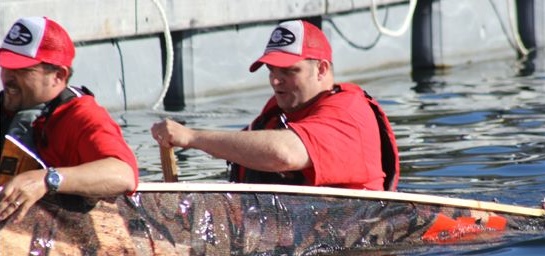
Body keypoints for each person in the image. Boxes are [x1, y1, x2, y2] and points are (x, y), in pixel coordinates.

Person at [151, 19, 399, 190]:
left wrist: (191, 137)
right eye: (271, 70)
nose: (275, 80)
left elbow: (284, 154)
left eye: (289, 71)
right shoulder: (280, 109)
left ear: (322, 69)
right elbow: (245, 149)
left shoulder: (348, 112)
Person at [0, 16, 139, 222]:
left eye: (22, 70)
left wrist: (47, 179)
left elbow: (123, 174)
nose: (8, 78)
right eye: (5, 66)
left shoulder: (81, 115)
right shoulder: (7, 104)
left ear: (59, 76)